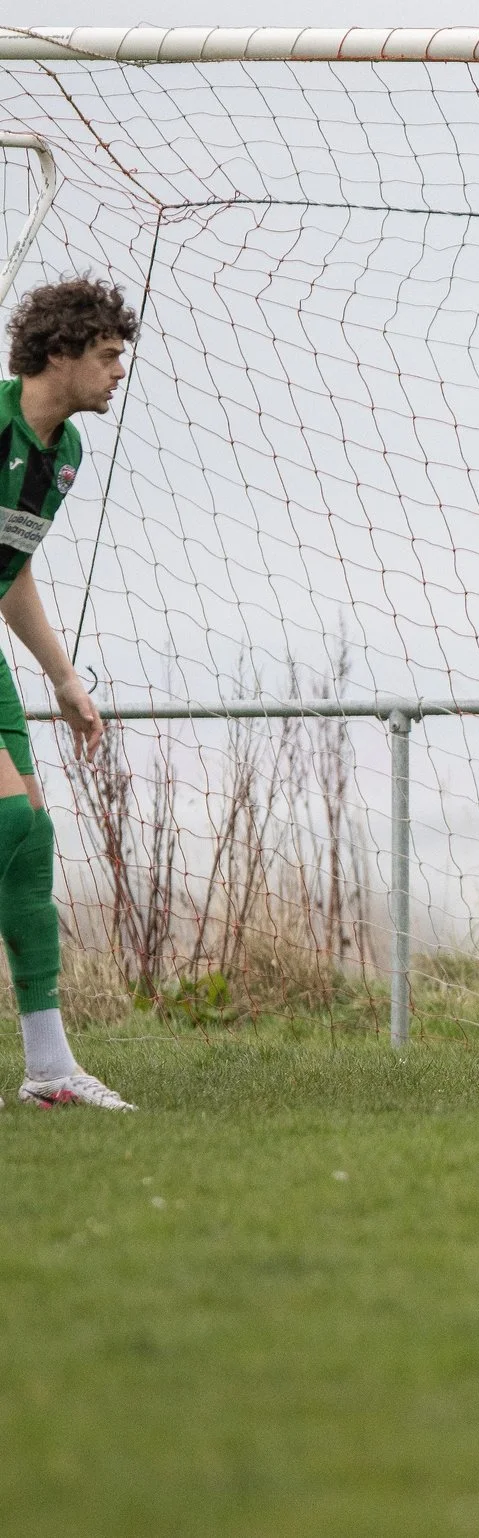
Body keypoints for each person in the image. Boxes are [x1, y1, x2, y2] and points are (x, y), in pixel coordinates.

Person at [0, 280, 125, 1109]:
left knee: (26, 837)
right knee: (14, 820)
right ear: (60, 353)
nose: (120, 372)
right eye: (109, 356)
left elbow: (10, 570)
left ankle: (50, 1072)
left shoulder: (64, 451)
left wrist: (64, 677)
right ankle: (47, 1071)